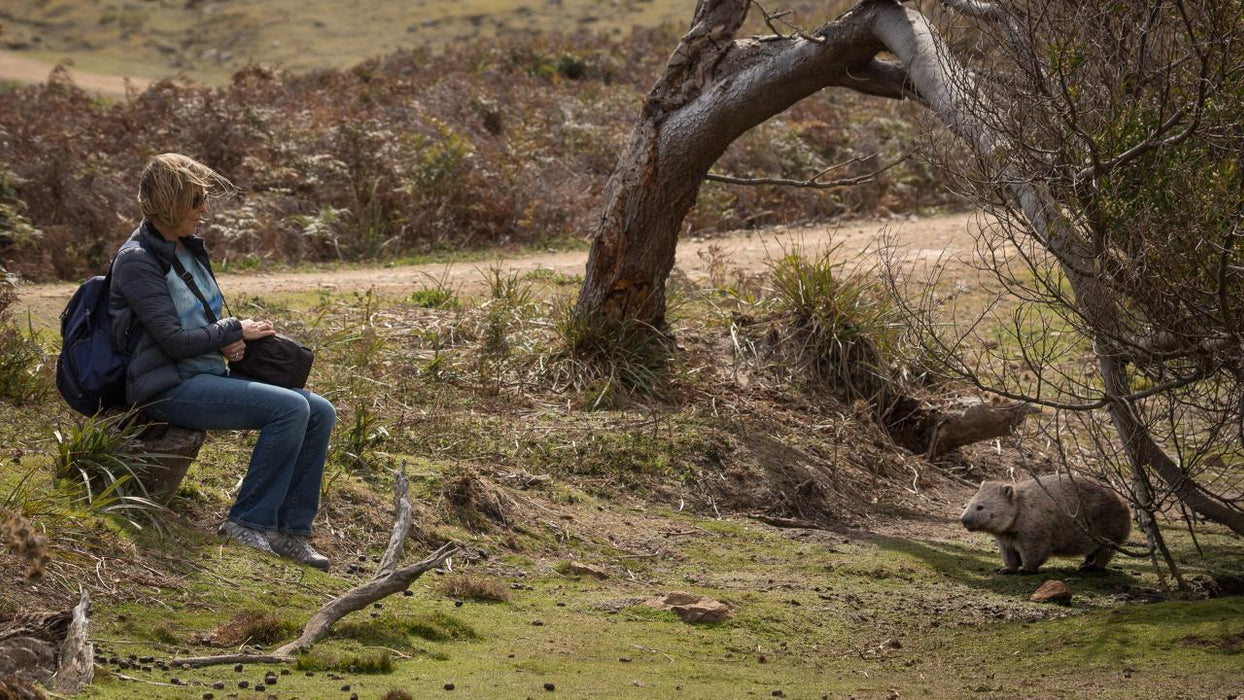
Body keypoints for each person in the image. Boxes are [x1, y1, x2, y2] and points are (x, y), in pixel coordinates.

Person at [109, 153, 336, 570]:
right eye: (197, 201)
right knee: (290, 408)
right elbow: (174, 342)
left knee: (321, 410)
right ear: (170, 201)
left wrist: (228, 342)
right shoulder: (138, 261)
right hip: (167, 386)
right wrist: (232, 331)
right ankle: (246, 522)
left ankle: (291, 532)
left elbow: (200, 319)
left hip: (207, 371)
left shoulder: (189, 249)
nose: (205, 210)